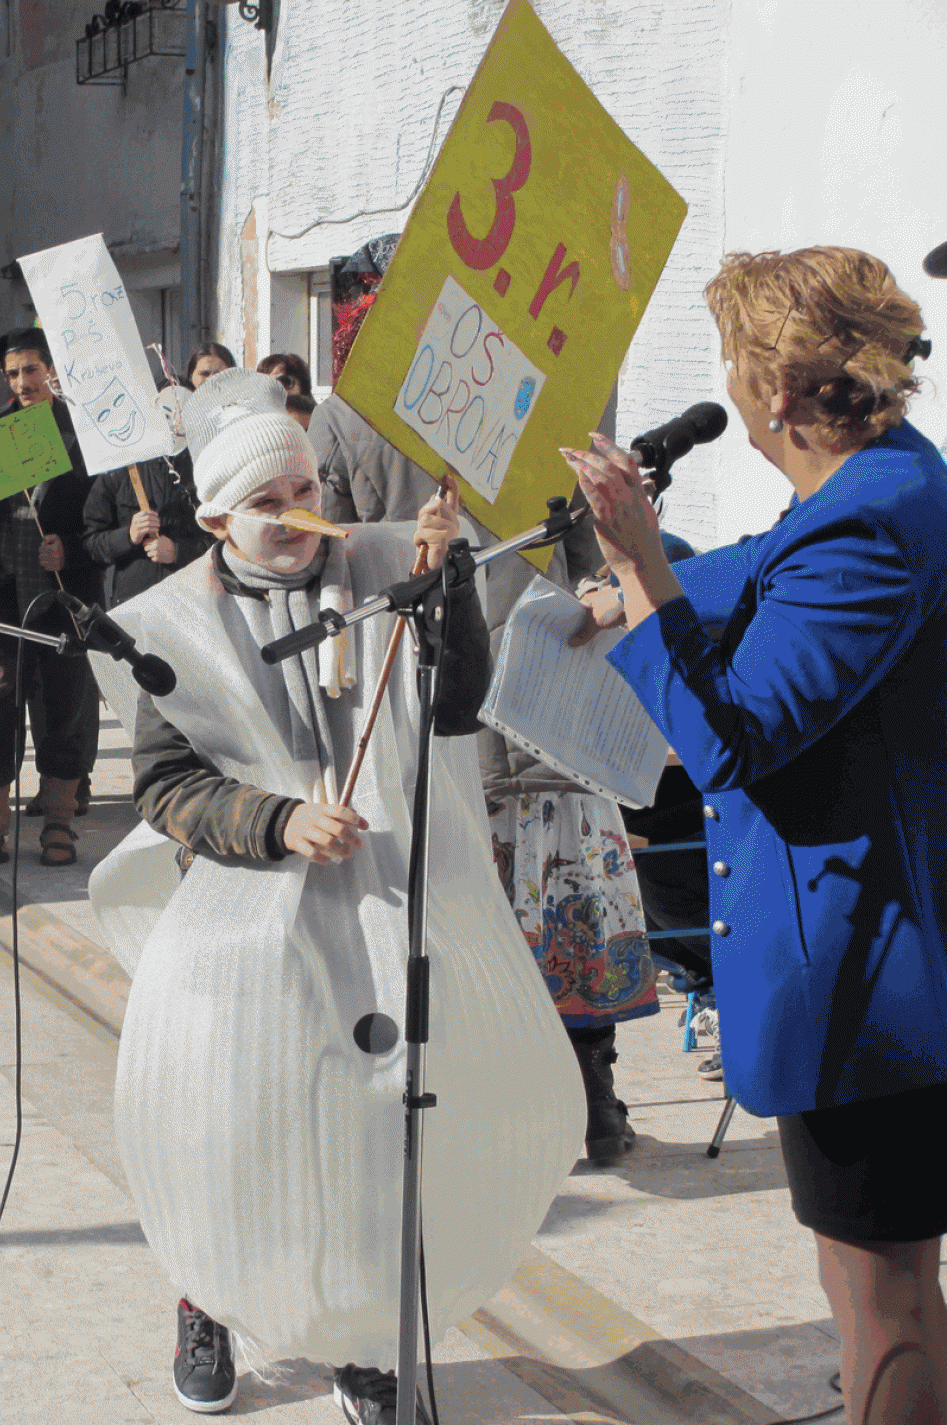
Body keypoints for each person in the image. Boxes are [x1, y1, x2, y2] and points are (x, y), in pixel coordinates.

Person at [90, 368, 579, 1416]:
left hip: (376, 911)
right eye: (266, 502)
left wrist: (445, 589)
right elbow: (166, 786)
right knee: (225, 1118)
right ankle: (206, 1297)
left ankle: (363, 1342)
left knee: (365, 1125)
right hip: (240, 923)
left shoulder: (387, 563)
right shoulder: (166, 623)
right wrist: (275, 821)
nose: (296, 513)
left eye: (305, 488)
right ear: (216, 519)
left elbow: (457, 707)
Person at [567, 245, 947, 1425]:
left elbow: (732, 738)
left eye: (733, 357)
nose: (726, 382)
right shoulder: (883, 481)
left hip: (872, 978)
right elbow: (770, 564)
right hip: (857, 963)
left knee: (883, 1298)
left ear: (775, 389)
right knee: (857, 1275)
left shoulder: (870, 520)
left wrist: (639, 565)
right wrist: (633, 590)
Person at [311, 254, 654, 1166]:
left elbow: (332, 561)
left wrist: (597, 586)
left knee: (525, 895)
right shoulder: (356, 415)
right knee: (518, 895)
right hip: (465, 690)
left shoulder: (516, 398)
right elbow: (334, 561)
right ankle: (549, 1099)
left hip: (508, 690)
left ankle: (571, 1095)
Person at [0, 328, 102, 876]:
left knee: (62, 710)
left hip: (62, 598)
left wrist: (71, 547)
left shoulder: (83, 433)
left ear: (51, 370)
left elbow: (103, 519)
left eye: (31, 369)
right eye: (12, 373)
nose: (22, 382)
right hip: (5, 599)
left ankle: (59, 822)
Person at [81, 447, 211, 609]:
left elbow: (221, 534)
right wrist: (128, 536)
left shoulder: (198, 460)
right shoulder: (117, 470)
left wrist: (178, 552)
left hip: (193, 595)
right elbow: (91, 545)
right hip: (137, 602)